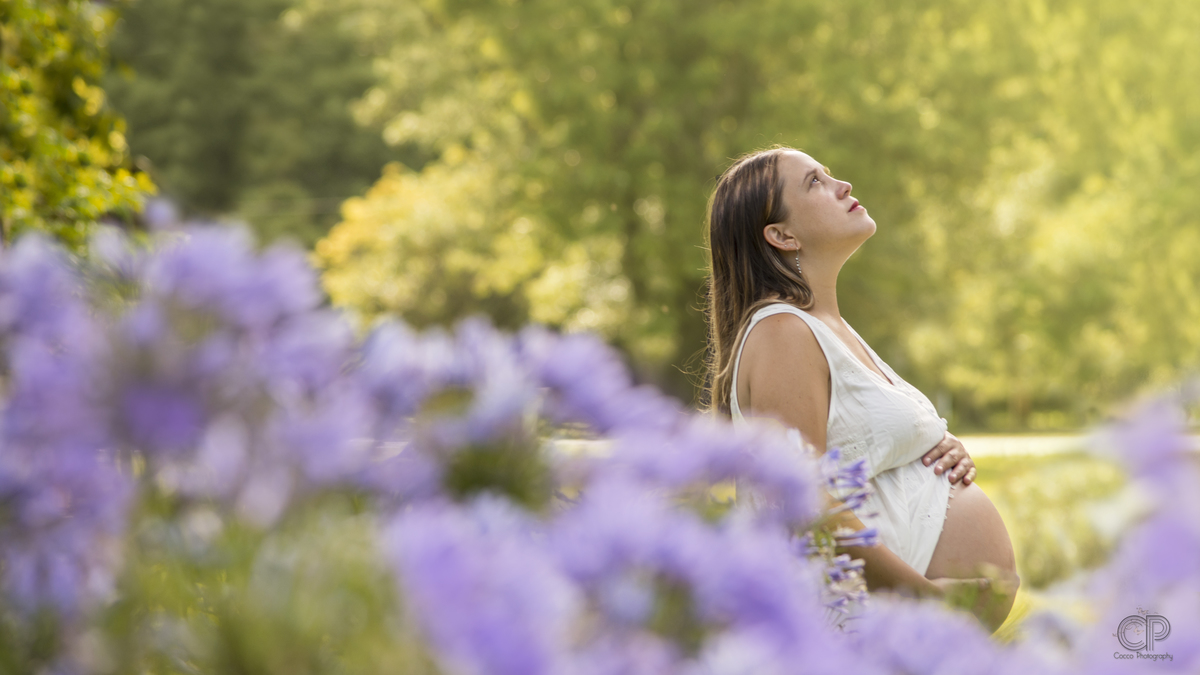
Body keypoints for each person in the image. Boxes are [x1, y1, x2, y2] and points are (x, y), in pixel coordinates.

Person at [704, 146, 1021, 633]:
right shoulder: (781, 332)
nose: (842, 185)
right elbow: (805, 501)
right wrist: (925, 600)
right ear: (782, 234)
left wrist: (935, 447)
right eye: (815, 182)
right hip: (880, 627)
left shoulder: (825, 326)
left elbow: (859, 448)